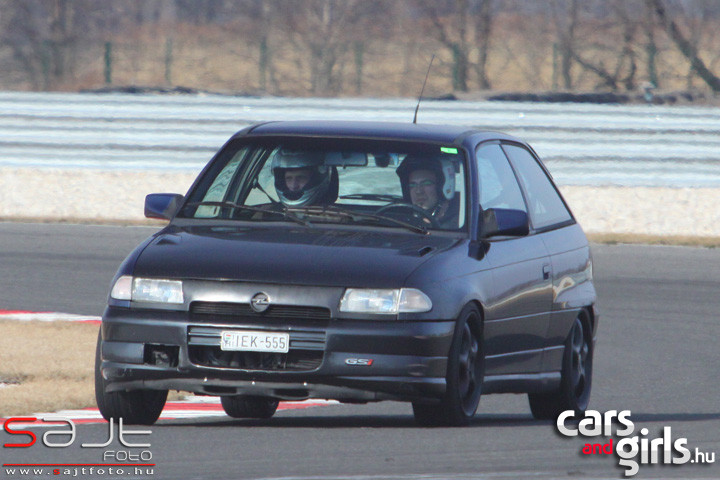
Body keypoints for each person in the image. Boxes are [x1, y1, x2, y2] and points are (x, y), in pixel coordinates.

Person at [396, 153, 459, 228]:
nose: (418, 191)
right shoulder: (400, 220)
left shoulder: (461, 221)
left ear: (441, 187)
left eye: (426, 183)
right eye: (412, 185)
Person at [271, 149, 338, 207]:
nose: (294, 186)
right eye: (289, 178)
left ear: (316, 180)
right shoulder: (268, 214)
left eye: (301, 178)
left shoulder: (341, 218)